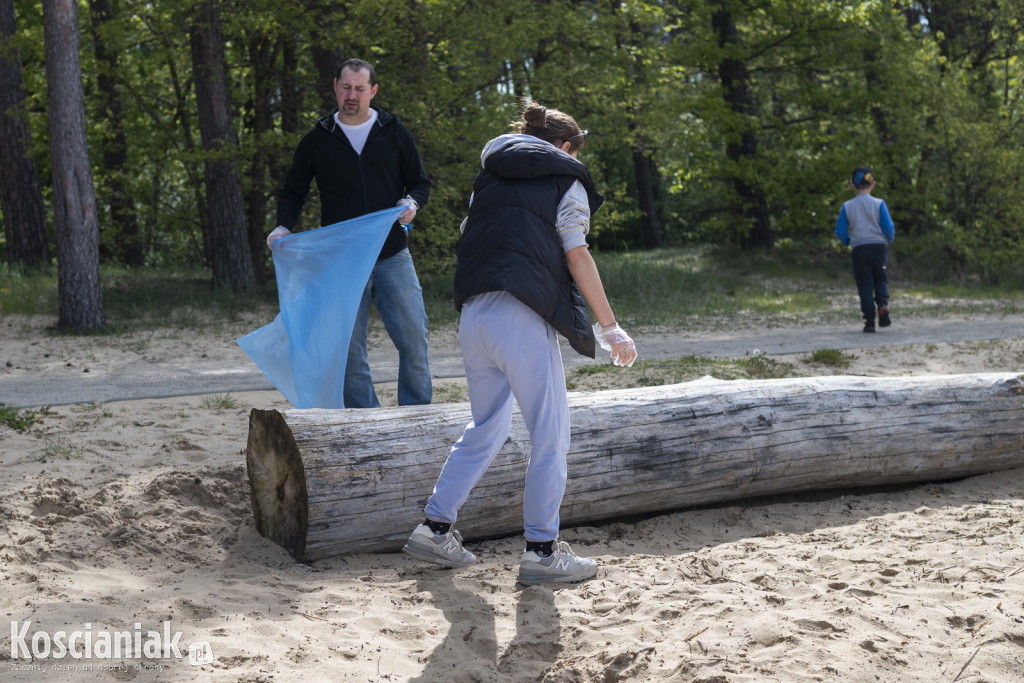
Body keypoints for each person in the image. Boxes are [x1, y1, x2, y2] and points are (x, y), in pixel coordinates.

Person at [401, 101, 638, 586]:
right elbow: (576, 252)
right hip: (520, 315)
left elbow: (473, 238)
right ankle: (542, 552)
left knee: (486, 427)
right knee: (550, 436)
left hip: (474, 313)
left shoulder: (488, 178)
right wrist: (609, 326)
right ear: (567, 148)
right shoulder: (564, 177)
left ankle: (434, 527)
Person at [269, 58, 433, 408]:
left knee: (414, 339)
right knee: (348, 348)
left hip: (392, 254)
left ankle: (418, 418)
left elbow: (419, 182)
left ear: (372, 91)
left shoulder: (394, 132)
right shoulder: (318, 138)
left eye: (360, 88)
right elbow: (293, 191)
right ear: (335, 87)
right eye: (346, 87)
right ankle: (366, 424)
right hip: (340, 261)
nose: (352, 95)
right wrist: (283, 225)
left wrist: (413, 203)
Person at [835, 166, 895, 333]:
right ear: (873, 184)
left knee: (865, 285)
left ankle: (869, 321)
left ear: (852, 184)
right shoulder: (879, 203)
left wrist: (849, 241)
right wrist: (887, 240)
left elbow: (840, 231)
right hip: (878, 247)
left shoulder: (847, 206)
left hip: (859, 249)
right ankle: (882, 304)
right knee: (881, 279)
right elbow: (888, 228)